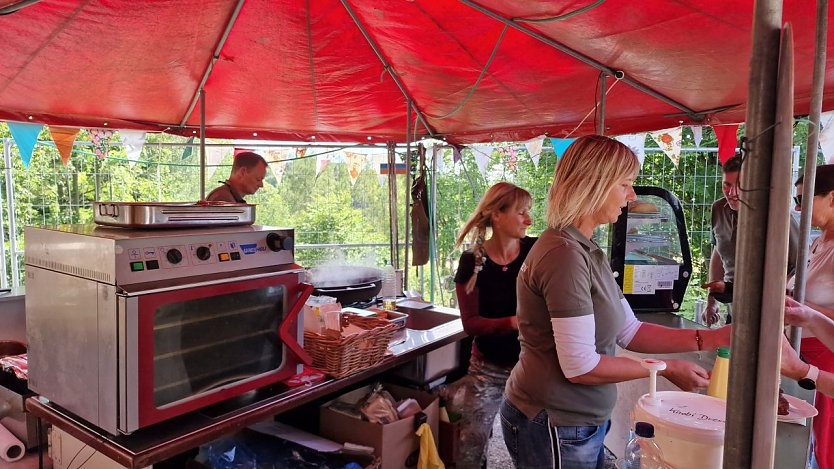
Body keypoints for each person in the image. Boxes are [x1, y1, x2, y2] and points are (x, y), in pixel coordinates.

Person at [500, 135, 731, 468]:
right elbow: (580, 366)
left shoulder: (586, 248)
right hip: (554, 420)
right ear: (594, 185)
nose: (632, 195)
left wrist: (713, 338)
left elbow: (629, 329)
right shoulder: (564, 255)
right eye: (625, 184)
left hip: (583, 418)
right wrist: (666, 369)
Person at [447, 182, 536, 469]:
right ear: (497, 215)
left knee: (535, 443)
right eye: (522, 213)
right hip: (488, 368)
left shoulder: (536, 251)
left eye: (529, 213)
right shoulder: (472, 261)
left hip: (533, 366)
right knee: (471, 445)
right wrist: (513, 323)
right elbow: (471, 324)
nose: (529, 220)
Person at [702, 155, 799, 326]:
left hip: (770, 317)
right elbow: (718, 252)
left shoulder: (776, 215)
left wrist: (775, 302)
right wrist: (712, 301)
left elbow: (798, 266)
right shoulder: (718, 209)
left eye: (740, 186)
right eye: (727, 185)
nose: (732, 193)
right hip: (734, 310)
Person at [784, 163, 834, 469]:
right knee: (812, 442)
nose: (798, 208)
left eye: (804, 199)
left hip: (826, 356)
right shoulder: (819, 241)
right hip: (803, 354)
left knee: (828, 445)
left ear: (832, 198)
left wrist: (799, 307)